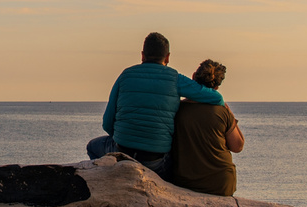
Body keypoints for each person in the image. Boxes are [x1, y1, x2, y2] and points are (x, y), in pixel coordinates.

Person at [86, 32, 224, 179]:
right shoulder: (174, 78)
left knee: (92, 147)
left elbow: (107, 123)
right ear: (168, 57)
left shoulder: (126, 75)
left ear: (142, 55)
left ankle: (107, 181)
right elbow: (215, 97)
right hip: (155, 161)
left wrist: (124, 138)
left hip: (122, 152)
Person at [172, 60, 244, 196]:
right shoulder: (222, 111)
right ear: (216, 87)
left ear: (193, 77)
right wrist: (230, 114)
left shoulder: (177, 109)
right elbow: (237, 146)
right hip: (220, 182)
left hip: (185, 181)